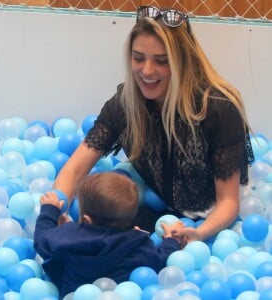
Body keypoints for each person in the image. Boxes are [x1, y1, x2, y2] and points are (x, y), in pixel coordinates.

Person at [52, 6, 254, 242]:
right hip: (156, 208)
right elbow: (75, 169)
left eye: (161, 61)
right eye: (139, 58)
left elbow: (228, 201)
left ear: (182, 61)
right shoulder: (126, 104)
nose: (147, 71)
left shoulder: (217, 108)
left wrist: (199, 233)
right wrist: (56, 209)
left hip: (209, 218)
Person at [34, 172, 185, 298]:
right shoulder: (138, 244)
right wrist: (172, 240)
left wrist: (49, 210)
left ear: (86, 219)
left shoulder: (67, 237)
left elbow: (41, 240)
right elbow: (161, 258)